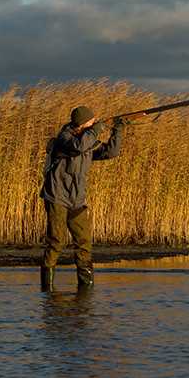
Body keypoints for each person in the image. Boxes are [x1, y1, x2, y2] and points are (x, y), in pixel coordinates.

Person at [39, 105, 124, 291]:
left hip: (77, 200)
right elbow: (78, 147)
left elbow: (111, 152)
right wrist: (96, 130)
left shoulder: (87, 140)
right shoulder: (65, 138)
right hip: (57, 196)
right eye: (91, 121)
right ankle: (47, 290)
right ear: (82, 123)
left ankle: (85, 290)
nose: (95, 122)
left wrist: (118, 130)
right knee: (56, 241)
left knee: (84, 242)